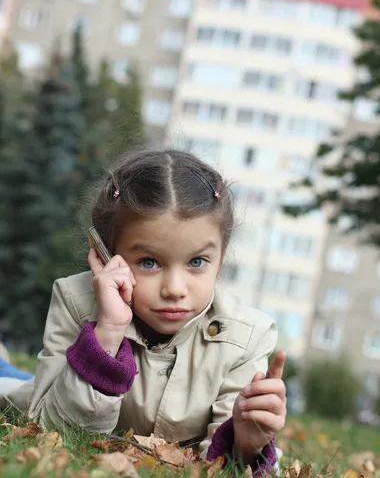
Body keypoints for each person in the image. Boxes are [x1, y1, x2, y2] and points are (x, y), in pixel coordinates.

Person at [2, 149, 286, 475]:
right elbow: (51, 430)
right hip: (33, 389)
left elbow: (222, 466)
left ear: (220, 259)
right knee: (12, 385)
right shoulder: (77, 301)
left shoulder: (247, 337)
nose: (175, 288)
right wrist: (107, 332)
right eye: (149, 263)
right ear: (107, 255)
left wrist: (246, 444)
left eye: (197, 262)